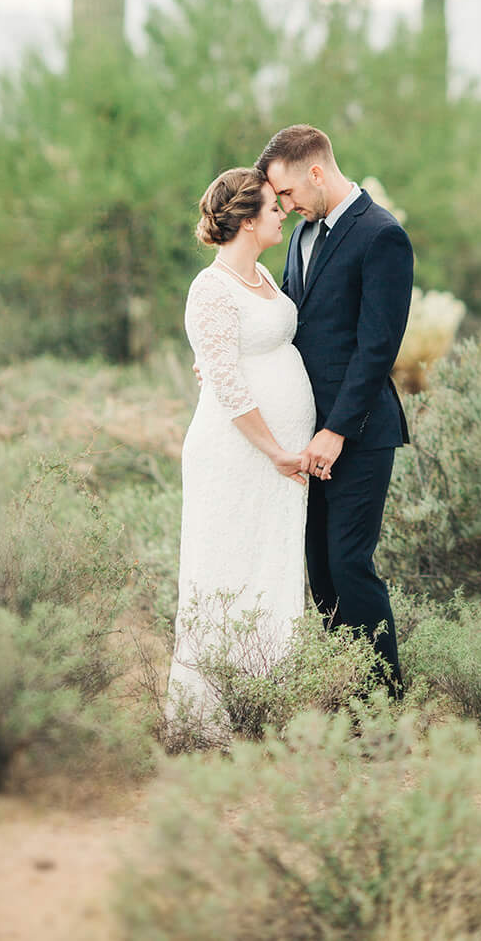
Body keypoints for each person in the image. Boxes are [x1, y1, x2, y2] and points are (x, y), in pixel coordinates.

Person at [258, 124, 413, 696]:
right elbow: (289, 330)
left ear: (316, 172)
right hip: (305, 436)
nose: (287, 205)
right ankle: (347, 695)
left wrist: (336, 430)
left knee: (350, 564)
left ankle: (383, 704)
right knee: (320, 572)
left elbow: (378, 349)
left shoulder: (382, 236)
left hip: (360, 433)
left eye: (290, 193)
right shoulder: (301, 237)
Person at [167, 168, 313, 733]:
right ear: (248, 219)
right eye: (274, 208)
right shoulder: (211, 287)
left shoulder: (264, 280)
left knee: (270, 567)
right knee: (227, 568)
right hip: (238, 455)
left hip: (277, 463)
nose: (283, 215)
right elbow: (227, 384)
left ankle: (269, 703)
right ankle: (210, 718)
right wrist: (275, 449)